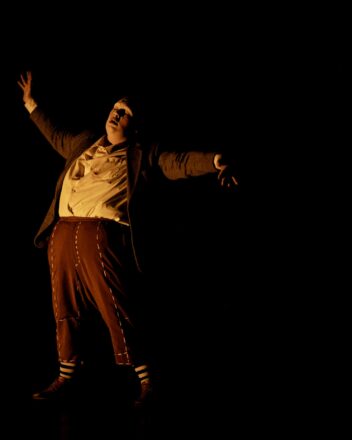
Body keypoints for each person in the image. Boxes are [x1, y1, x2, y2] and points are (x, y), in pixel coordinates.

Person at [17, 71, 238, 407]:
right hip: (62, 233)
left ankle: (148, 379)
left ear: (135, 126)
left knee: (117, 305)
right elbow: (55, 134)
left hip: (101, 237)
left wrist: (214, 161)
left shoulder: (141, 154)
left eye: (125, 113)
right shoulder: (84, 143)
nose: (116, 114)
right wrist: (31, 103)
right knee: (64, 306)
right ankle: (66, 375)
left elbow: (178, 162)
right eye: (115, 108)